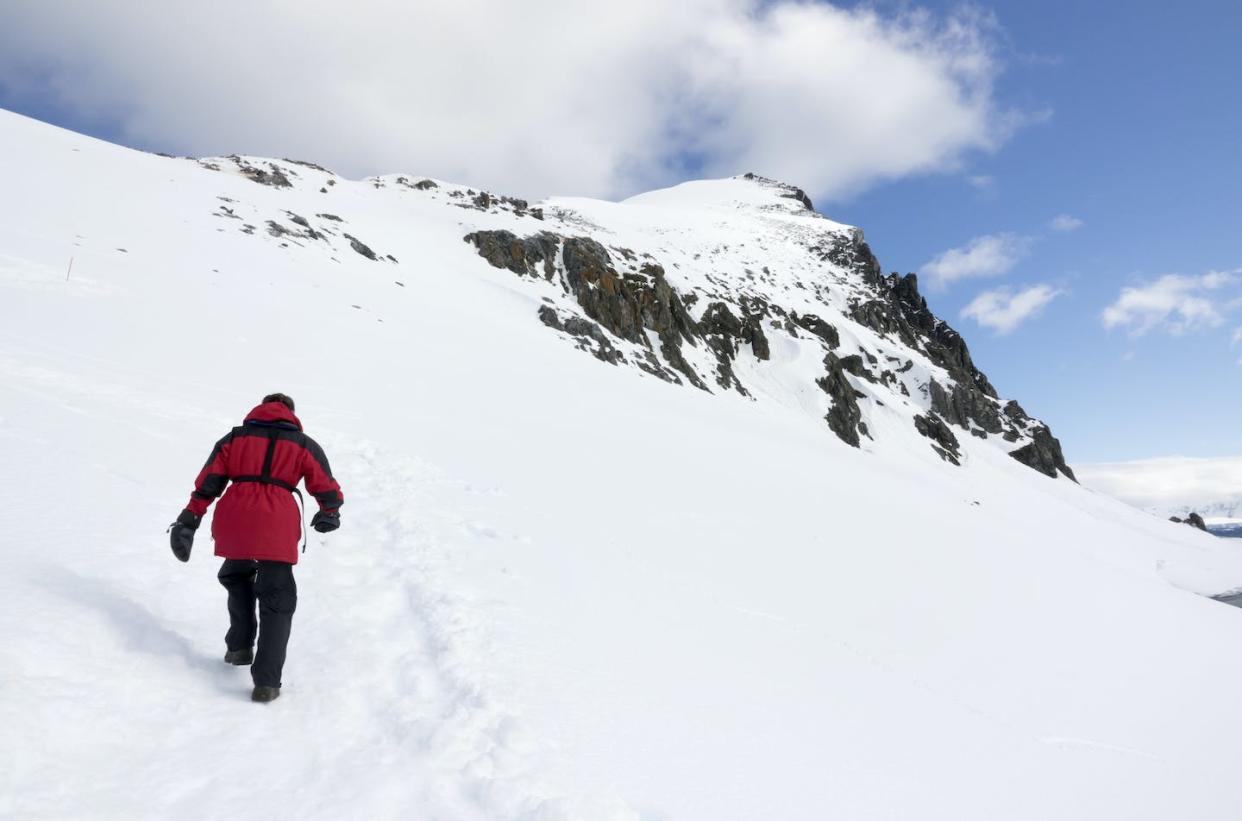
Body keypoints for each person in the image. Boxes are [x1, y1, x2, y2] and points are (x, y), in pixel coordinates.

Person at [167, 393, 343, 703]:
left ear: (259, 409)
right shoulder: (303, 444)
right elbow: (325, 485)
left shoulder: (234, 438)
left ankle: (239, 647)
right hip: (276, 521)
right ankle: (266, 682)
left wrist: (189, 518)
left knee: (236, 575)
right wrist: (330, 512)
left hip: (235, 517)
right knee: (277, 596)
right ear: (291, 413)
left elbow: (208, 482)